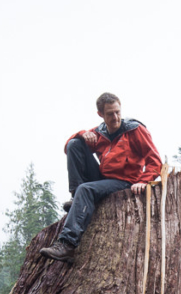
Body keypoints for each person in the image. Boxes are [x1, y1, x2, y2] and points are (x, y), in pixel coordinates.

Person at [40, 92, 163, 262]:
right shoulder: (100, 133)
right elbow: (68, 149)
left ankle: (67, 245)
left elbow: (155, 161)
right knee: (75, 144)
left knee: (86, 189)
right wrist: (82, 134)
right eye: (110, 114)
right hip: (103, 178)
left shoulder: (135, 130)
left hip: (125, 182)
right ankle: (76, 196)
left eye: (117, 112)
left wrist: (143, 180)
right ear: (100, 114)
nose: (115, 117)